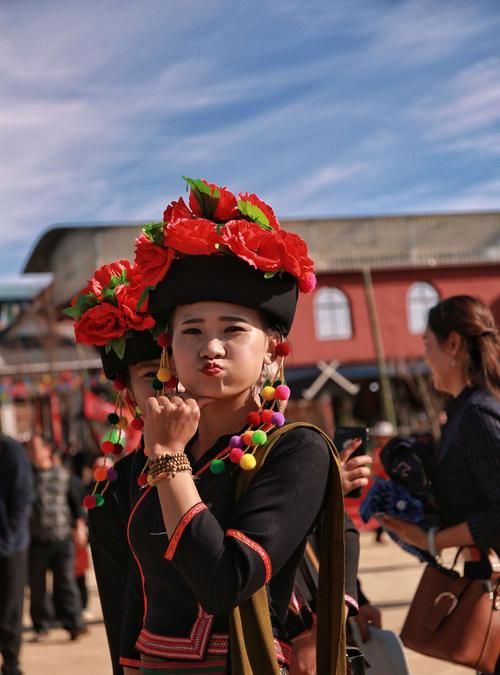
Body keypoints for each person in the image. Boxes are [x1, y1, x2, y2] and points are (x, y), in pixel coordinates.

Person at [71, 178, 346, 675]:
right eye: (191, 330)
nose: (211, 347)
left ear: (273, 348)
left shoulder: (295, 451)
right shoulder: (155, 456)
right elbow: (140, 596)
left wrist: (169, 461)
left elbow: (225, 582)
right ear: (169, 349)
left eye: (233, 330)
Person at [379, 295, 500, 673]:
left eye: (427, 344)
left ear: (453, 345)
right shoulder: (463, 412)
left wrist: (431, 541)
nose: (424, 356)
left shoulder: (477, 413)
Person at [26, 434, 87, 641]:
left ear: (47, 449)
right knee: (37, 588)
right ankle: (41, 626)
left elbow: (76, 504)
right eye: (30, 449)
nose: (32, 453)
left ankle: (74, 624)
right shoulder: (26, 477)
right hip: (35, 541)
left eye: (36, 448)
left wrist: (79, 526)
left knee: (66, 583)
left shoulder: (64, 476)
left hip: (62, 539)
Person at [0, 434, 33, 675]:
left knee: (9, 609)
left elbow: (22, 499)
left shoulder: (10, 451)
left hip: (9, 546)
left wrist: (9, 539)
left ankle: (11, 664)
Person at [370, 420, 395, 543]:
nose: (381, 439)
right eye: (379, 437)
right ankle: (379, 533)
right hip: (382, 485)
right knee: (384, 510)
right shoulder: (377, 451)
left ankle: (381, 533)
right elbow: (375, 469)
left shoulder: (392, 450)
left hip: (390, 484)